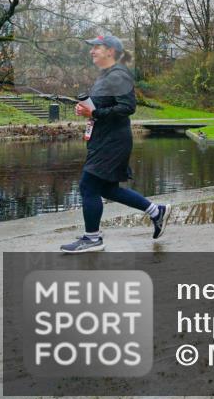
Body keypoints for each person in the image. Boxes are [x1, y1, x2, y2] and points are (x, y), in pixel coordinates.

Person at [60, 35, 171, 253]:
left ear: (110, 51)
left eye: (97, 48)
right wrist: (86, 109)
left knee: (88, 186)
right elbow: (102, 107)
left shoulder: (119, 75)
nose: (92, 51)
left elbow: (128, 107)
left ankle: (92, 239)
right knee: (108, 189)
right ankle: (156, 211)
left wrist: (96, 111)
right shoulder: (106, 76)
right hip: (103, 138)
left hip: (113, 141)